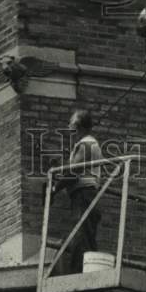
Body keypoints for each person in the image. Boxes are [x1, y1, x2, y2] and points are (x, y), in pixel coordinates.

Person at [51, 108, 103, 273]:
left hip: (84, 194)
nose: (68, 127)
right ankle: (87, 271)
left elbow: (74, 173)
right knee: (85, 234)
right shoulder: (85, 144)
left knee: (81, 235)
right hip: (85, 195)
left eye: (71, 123)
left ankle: (79, 274)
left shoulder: (86, 143)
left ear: (77, 126)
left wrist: (55, 188)